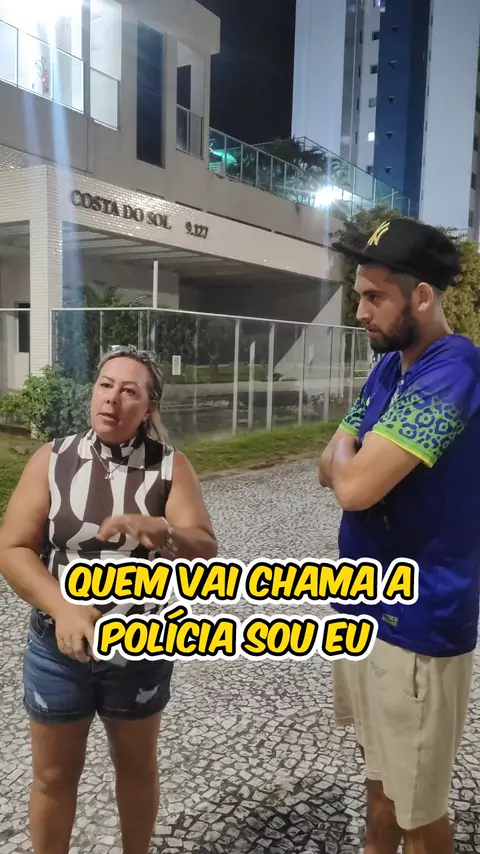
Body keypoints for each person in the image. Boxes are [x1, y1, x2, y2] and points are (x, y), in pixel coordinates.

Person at [0, 345, 218, 854]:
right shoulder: (52, 459)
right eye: (105, 385)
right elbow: (12, 548)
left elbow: (205, 546)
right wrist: (62, 607)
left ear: (149, 407)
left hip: (140, 649)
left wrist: (163, 530)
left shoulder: (170, 467)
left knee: (136, 770)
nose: (112, 399)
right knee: (53, 777)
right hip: (58, 652)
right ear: (92, 392)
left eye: (129, 391)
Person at [317, 218, 480, 854]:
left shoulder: (454, 370)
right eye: (359, 295)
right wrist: (350, 462)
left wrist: (351, 462)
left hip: (418, 625)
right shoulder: (389, 368)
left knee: (420, 813)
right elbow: (328, 462)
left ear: (422, 296)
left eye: (374, 297)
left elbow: (353, 487)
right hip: (361, 609)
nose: (360, 312)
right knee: (380, 784)